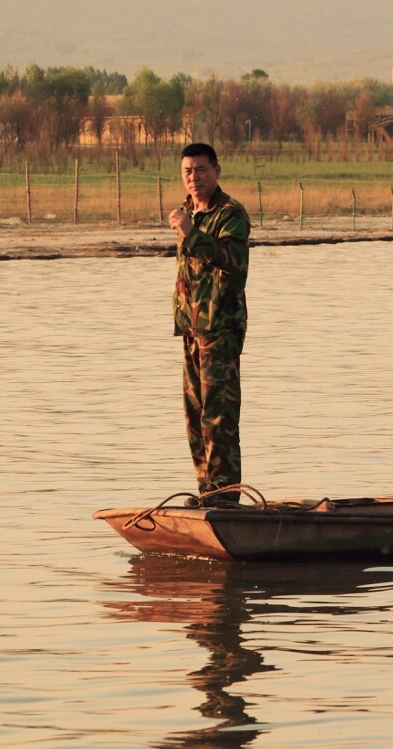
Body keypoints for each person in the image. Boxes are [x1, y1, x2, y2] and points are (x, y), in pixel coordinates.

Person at [168, 143, 251, 504]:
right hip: (191, 327)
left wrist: (192, 233)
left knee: (219, 413)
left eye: (201, 170)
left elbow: (232, 261)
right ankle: (207, 492)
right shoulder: (189, 212)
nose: (194, 178)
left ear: (216, 171)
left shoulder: (231, 214)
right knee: (195, 414)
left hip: (220, 327)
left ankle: (225, 494)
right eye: (187, 171)